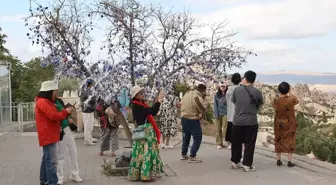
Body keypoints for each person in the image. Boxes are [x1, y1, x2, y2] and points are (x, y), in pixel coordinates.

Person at [35, 81, 73, 185]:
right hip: (48, 136)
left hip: (49, 135)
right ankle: (52, 182)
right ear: (49, 92)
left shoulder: (45, 101)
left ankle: (44, 181)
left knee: (46, 159)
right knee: (52, 162)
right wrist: (66, 112)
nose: (56, 94)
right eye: (55, 92)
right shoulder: (43, 102)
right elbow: (53, 116)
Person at [128, 86, 164, 181]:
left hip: (144, 131)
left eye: (143, 92)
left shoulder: (141, 104)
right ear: (135, 96)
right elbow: (153, 111)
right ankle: (145, 175)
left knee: (140, 153)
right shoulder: (137, 106)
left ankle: (137, 175)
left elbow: (151, 110)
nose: (143, 94)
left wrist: (157, 101)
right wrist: (159, 101)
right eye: (141, 93)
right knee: (147, 153)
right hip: (145, 131)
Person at [230, 70, 263, 172]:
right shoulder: (257, 92)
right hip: (251, 122)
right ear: (254, 80)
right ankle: (247, 165)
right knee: (249, 144)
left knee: (236, 142)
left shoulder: (237, 90)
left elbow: (234, 101)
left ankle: (235, 162)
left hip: (237, 121)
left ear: (245, 78)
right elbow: (260, 104)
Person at [54, 98, 82, 184]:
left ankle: (74, 174)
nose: (57, 92)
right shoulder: (49, 103)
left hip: (68, 129)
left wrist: (69, 118)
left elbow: (65, 112)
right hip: (60, 130)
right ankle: (59, 177)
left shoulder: (59, 101)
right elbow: (55, 116)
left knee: (73, 151)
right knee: (60, 154)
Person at [272, 82, 299, 167]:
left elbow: (273, 105)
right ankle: (289, 161)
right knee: (291, 139)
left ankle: (278, 160)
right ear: (289, 89)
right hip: (290, 122)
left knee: (278, 139)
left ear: (279, 90)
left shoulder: (276, 100)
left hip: (278, 123)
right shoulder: (292, 99)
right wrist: (290, 94)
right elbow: (297, 101)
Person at [180, 84, 208, 163]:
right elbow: (203, 109)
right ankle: (192, 156)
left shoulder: (187, 94)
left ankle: (184, 154)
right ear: (203, 91)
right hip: (192, 119)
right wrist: (205, 100)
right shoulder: (196, 97)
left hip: (184, 117)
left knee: (186, 136)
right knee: (198, 137)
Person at [226, 73, 242, 150]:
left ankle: (231, 144)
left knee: (231, 130)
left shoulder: (229, 89)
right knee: (238, 131)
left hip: (230, 113)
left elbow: (226, 100)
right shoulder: (241, 89)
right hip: (239, 113)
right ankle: (238, 145)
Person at [80, 79, 97, 146]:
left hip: (89, 110)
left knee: (90, 124)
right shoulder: (86, 91)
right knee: (88, 126)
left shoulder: (86, 90)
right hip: (87, 110)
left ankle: (90, 137)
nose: (93, 85)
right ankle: (87, 140)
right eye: (92, 84)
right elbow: (87, 100)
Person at [213, 83, 228, 149]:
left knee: (225, 129)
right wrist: (216, 114)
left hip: (226, 113)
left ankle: (228, 142)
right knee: (218, 129)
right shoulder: (216, 95)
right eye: (221, 86)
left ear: (226, 86)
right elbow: (215, 105)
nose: (222, 87)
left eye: (223, 86)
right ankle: (219, 143)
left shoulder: (228, 94)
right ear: (219, 87)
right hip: (218, 113)